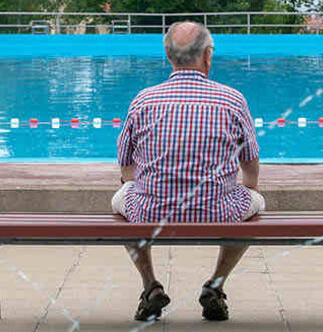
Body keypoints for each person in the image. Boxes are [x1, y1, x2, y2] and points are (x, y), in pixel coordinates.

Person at [113, 21, 265, 322]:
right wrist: (251, 188)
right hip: (220, 211)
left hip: (151, 211)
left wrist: (138, 186)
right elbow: (250, 162)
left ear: (169, 57)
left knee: (123, 200)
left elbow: (126, 163)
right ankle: (215, 284)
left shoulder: (144, 100)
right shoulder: (232, 100)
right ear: (208, 55)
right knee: (255, 205)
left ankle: (150, 287)